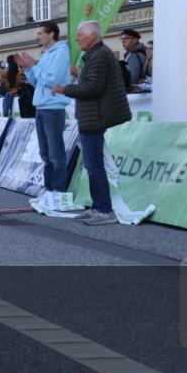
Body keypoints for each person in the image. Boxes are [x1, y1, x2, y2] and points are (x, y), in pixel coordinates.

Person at [54, 21, 132, 226]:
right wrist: (79, 74)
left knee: (95, 166)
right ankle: (98, 206)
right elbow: (94, 83)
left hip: (94, 117)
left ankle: (105, 210)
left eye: (80, 35)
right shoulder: (97, 56)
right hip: (92, 116)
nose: (77, 38)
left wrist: (65, 89)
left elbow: (93, 88)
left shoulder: (99, 56)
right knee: (92, 165)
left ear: (93, 36)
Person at [16, 22, 73, 210]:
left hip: (53, 108)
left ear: (52, 34)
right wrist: (28, 68)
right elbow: (37, 81)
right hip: (41, 108)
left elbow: (52, 80)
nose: (37, 36)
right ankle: (49, 190)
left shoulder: (60, 53)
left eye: (40, 33)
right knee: (46, 154)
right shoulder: (46, 54)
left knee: (56, 154)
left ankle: (57, 191)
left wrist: (35, 65)